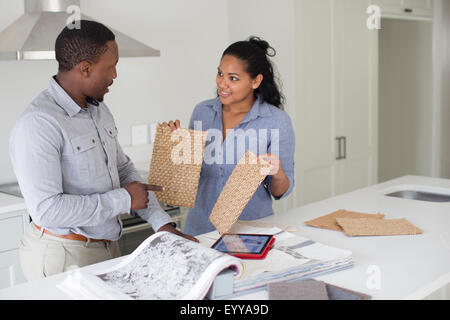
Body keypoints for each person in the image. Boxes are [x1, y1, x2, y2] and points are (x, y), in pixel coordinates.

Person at [10, 20, 196, 281]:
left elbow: (123, 169)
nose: (115, 76)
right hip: (63, 256)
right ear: (84, 68)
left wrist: (163, 225)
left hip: (106, 247)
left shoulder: (98, 110)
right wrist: (124, 199)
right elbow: (47, 209)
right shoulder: (39, 124)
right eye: (111, 67)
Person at [165, 37, 295, 236]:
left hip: (251, 232)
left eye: (233, 78)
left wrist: (277, 172)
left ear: (256, 81)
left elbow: (280, 192)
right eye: (220, 74)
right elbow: (187, 181)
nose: (222, 84)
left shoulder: (276, 121)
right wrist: (177, 148)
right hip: (200, 231)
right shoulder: (203, 112)